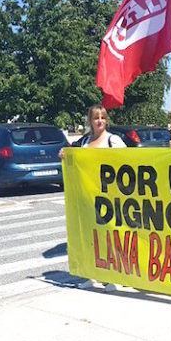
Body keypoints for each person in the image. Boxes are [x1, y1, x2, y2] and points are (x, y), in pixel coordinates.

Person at [60, 105, 127, 293]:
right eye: (96, 117)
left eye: (103, 118)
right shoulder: (84, 141)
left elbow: (128, 162)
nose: (100, 121)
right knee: (90, 236)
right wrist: (65, 156)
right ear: (90, 120)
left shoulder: (114, 140)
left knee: (111, 237)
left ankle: (115, 276)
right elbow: (74, 161)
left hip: (109, 197)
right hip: (88, 197)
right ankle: (91, 273)